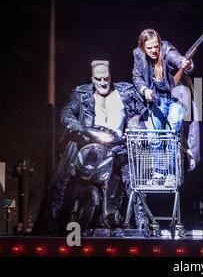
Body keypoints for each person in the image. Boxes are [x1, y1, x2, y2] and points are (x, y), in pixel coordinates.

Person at [33, 60, 144, 235]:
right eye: (98, 79)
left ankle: (138, 224)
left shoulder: (126, 91)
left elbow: (141, 109)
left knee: (134, 179)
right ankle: (52, 224)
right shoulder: (80, 92)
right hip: (89, 142)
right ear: (92, 79)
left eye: (106, 78)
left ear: (110, 76)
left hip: (118, 145)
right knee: (63, 179)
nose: (103, 82)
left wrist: (135, 121)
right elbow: (67, 113)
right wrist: (79, 127)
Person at [132, 28, 194, 136]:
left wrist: (186, 64)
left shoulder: (167, 51)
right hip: (157, 99)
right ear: (143, 48)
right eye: (149, 48)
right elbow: (137, 76)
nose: (154, 50)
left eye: (156, 46)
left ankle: (173, 153)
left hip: (176, 98)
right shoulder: (138, 54)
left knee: (172, 132)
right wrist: (145, 90)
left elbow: (177, 59)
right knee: (153, 136)